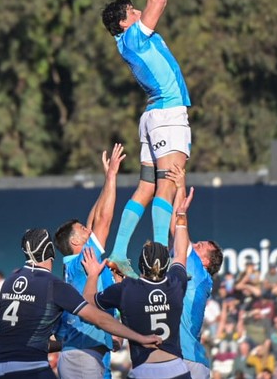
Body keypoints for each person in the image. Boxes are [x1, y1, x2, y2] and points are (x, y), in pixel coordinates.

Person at [100, 0, 191, 276]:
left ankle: (121, 252)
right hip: (168, 116)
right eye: (133, 12)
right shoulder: (135, 36)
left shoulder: (126, 40)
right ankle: (158, 259)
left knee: (147, 187)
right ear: (125, 22)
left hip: (153, 116)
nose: (139, 12)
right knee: (166, 185)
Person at [0, 228, 162, 379]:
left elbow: (29, 339)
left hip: (1, 367)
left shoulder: (9, 282)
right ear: (51, 251)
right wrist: (140, 338)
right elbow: (98, 318)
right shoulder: (53, 285)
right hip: (32, 368)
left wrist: (68, 342)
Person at [82, 178, 194, 379]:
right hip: (177, 368)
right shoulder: (176, 283)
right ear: (166, 266)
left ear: (139, 264)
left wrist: (92, 276)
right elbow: (181, 253)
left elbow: (88, 301)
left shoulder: (126, 288)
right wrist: (181, 217)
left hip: (144, 370)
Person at [53, 143, 126, 379]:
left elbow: (94, 219)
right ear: (76, 242)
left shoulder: (75, 263)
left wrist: (106, 181)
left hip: (89, 351)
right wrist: (113, 175)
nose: (89, 230)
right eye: (84, 231)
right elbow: (104, 220)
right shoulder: (83, 259)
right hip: (84, 355)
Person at [167, 166, 224, 379]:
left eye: (199, 245)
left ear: (206, 261)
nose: (194, 244)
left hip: (186, 359)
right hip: (186, 358)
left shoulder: (197, 270)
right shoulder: (197, 274)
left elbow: (177, 227)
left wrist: (180, 186)